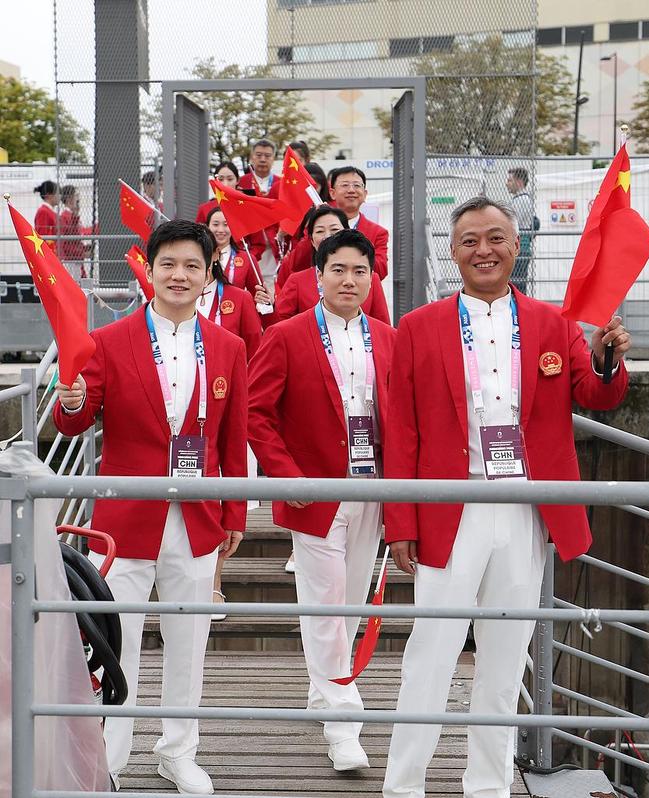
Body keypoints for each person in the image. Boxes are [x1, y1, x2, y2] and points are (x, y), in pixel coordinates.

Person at [381, 196, 631, 798]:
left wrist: (605, 360)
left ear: (516, 246)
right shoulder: (418, 327)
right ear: (453, 251)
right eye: (470, 240)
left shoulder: (554, 323)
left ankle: (489, 785)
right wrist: (401, 523)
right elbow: (401, 430)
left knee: (505, 658)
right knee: (430, 652)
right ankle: (404, 784)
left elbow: (595, 395)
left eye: (496, 238)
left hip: (525, 506)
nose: (484, 250)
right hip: (449, 508)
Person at [53, 219, 248, 795]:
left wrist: (234, 513)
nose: (179, 275)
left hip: (197, 517)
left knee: (190, 640)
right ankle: (109, 757)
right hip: (126, 517)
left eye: (192, 265)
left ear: (208, 275)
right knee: (117, 640)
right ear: (150, 268)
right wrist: (71, 401)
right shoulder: (110, 340)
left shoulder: (229, 347)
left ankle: (178, 752)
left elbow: (233, 440)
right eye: (169, 264)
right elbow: (73, 422)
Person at [248, 228, 397, 771]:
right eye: (338, 270)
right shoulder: (286, 336)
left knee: (348, 602)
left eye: (360, 271)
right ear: (318, 276)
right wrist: (290, 477)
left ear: (372, 278)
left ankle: (324, 690)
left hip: (372, 488)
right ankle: (343, 723)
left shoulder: (390, 338)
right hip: (313, 494)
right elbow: (255, 413)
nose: (349, 280)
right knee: (327, 605)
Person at [197, 218, 262, 619]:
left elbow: (256, 349)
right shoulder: (166, 301)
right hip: (182, 418)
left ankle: (214, 585)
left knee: (221, 498)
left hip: (224, 410)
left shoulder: (237, 298)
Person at [258, 205, 391, 327]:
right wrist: (269, 307)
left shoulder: (370, 278)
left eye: (334, 229)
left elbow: (383, 327)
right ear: (311, 240)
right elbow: (279, 327)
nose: (327, 236)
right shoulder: (297, 281)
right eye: (320, 231)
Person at [237, 139, 282, 293]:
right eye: (259, 155)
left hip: (273, 243)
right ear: (252, 157)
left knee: (271, 287)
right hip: (250, 243)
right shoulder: (241, 182)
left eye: (267, 156)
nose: (263, 159)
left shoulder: (280, 184)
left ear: (273, 159)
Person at [328, 166, 389, 280]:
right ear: (332, 193)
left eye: (357, 185)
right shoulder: (320, 226)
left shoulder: (378, 232)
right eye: (345, 185)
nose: (351, 190)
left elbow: (381, 270)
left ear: (365, 194)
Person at [205, 206, 264, 296]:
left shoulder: (247, 259)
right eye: (215, 224)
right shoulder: (199, 255)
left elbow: (256, 294)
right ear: (208, 226)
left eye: (226, 224)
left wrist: (261, 298)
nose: (220, 230)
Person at [505, 167, 537, 295]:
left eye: (510, 180)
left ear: (519, 182)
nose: (507, 183)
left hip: (519, 248)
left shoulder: (522, 200)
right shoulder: (520, 199)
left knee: (516, 284)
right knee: (516, 283)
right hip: (519, 247)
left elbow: (511, 223)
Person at [59, 185, 87, 278]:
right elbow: (69, 239)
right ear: (69, 199)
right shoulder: (65, 216)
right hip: (71, 259)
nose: (77, 199)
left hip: (75, 257)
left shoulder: (72, 215)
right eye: (76, 196)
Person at [33, 181, 59, 248]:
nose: (59, 196)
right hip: (49, 250)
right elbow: (41, 235)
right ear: (49, 195)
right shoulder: (43, 211)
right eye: (57, 193)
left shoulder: (50, 211)